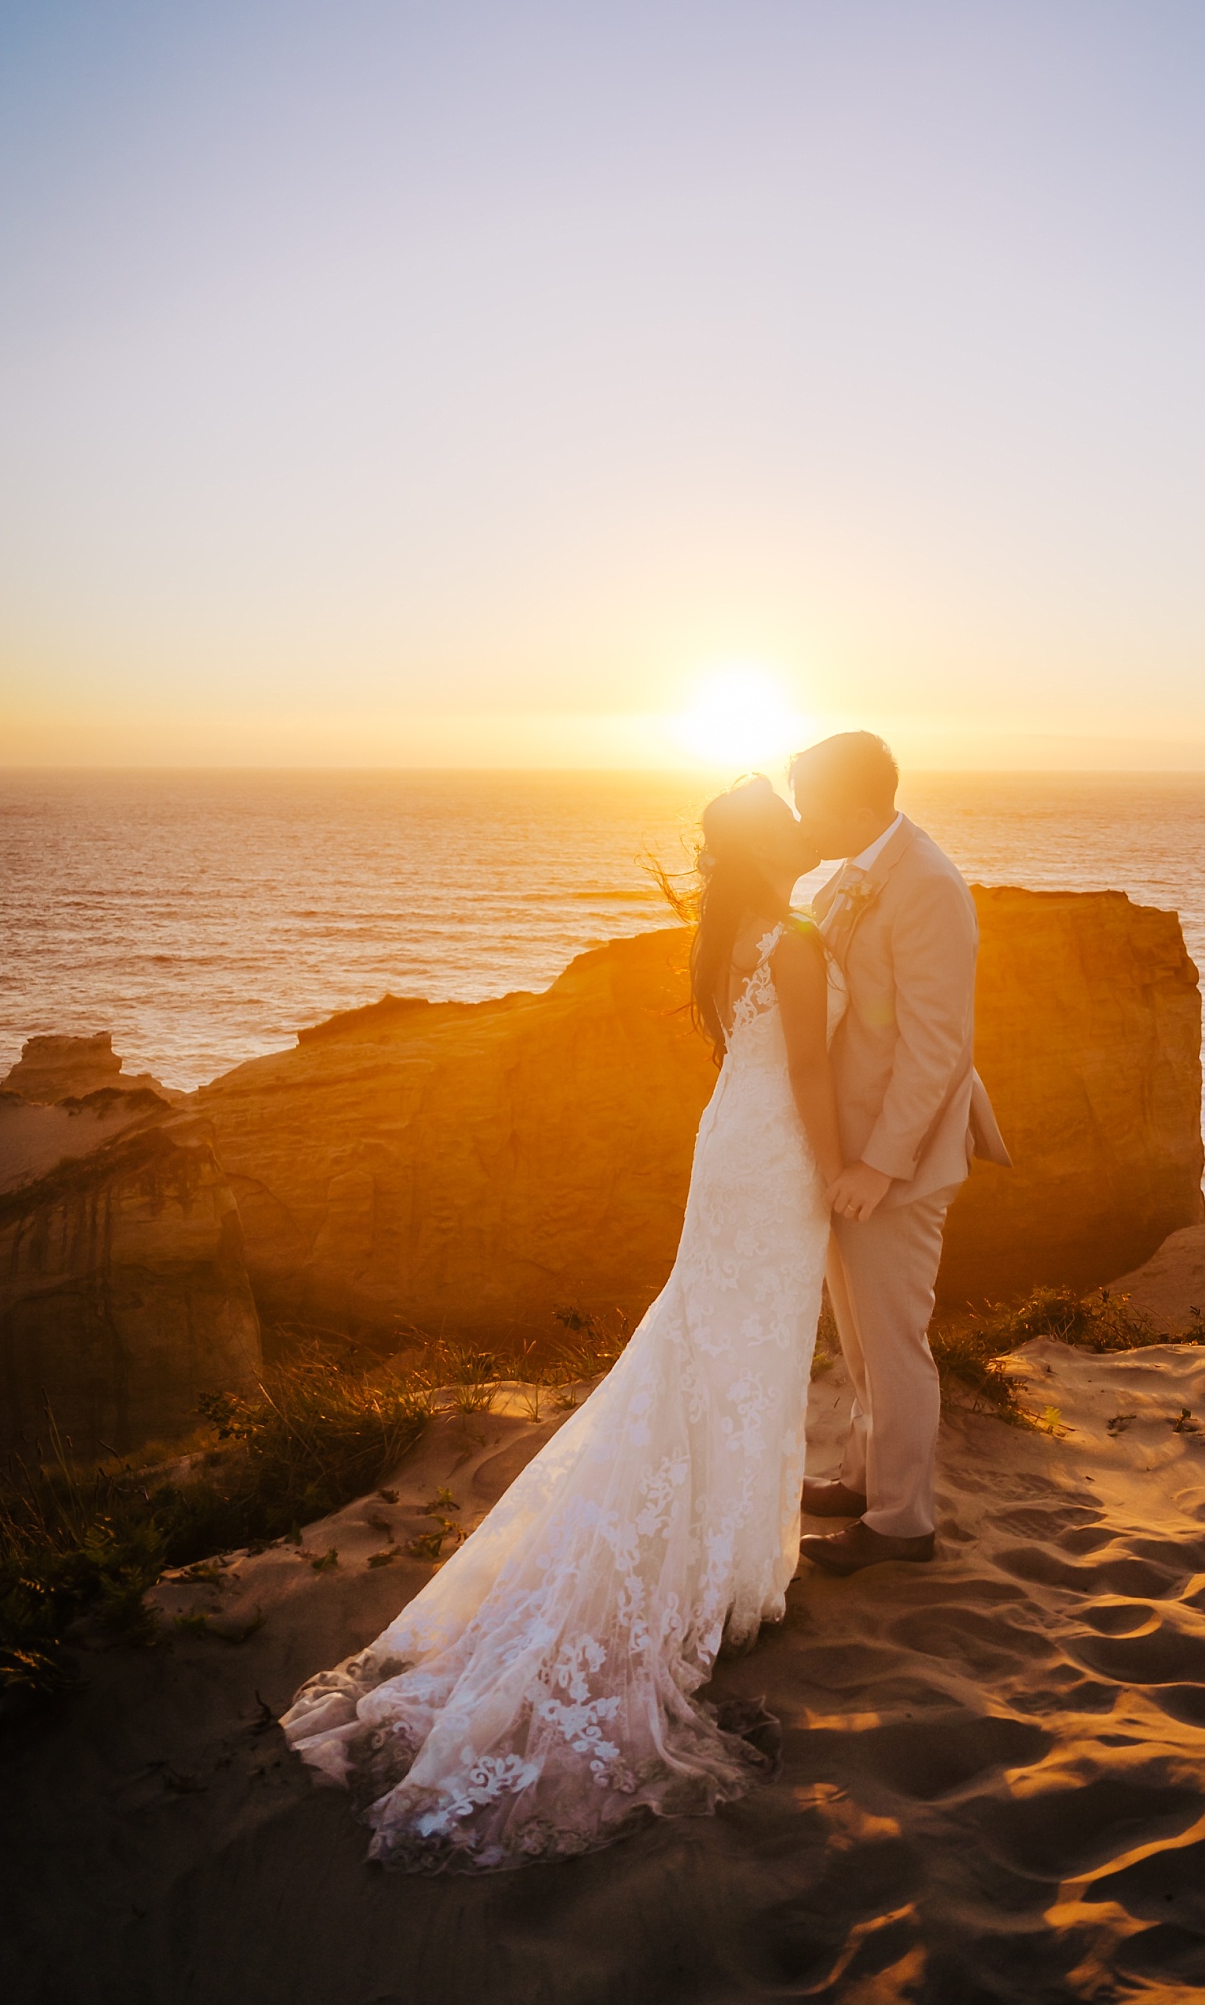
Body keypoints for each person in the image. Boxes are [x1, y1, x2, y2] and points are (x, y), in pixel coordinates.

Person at [280, 775, 845, 1871]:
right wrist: (843, 1172)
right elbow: (815, 1068)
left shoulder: (725, 932)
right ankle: (726, 1572)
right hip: (775, 1158)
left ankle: (719, 1556)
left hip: (728, 1142)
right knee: (751, 1349)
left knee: (709, 1343)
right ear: (779, 839)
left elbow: (757, 1054)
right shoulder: (797, 938)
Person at [789, 732, 1010, 1577]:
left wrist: (880, 1163)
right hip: (849, 1152)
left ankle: (902, 1522)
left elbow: (937, 1047)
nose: (806, 818)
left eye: (812, 801)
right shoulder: (857, 870)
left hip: (898, 1161)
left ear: (854, 802)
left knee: (895, 1341)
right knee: (860, 1336)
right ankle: (862, 1477)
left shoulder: (926, 886)